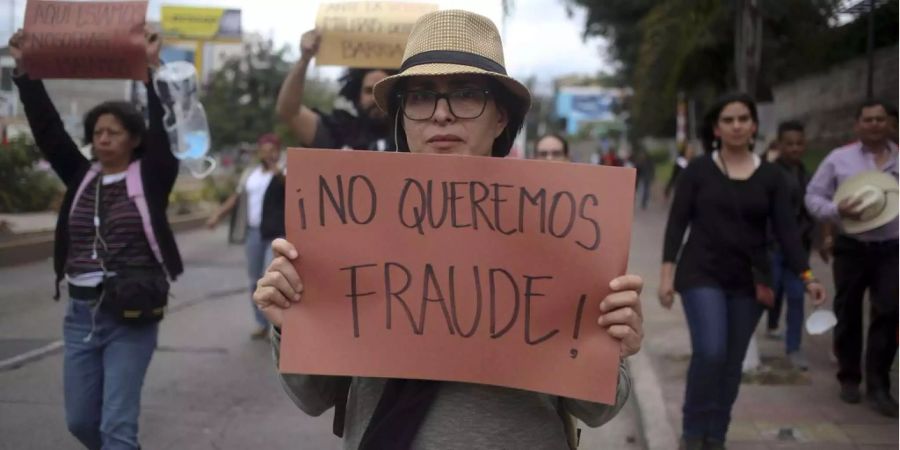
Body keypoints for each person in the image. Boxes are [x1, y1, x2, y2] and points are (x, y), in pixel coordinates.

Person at [253, 10, 644, 449]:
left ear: (500, 117)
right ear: (402, 117)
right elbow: (314, 396)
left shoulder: (561, 227)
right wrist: (292, 324)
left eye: (466, 94)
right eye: (420, 97)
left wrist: (613, 344)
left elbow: (600, 410)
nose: (441, 114)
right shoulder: (351, 225)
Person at [9, 28, 182, 449]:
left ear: (134, 139)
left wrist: (149, 70)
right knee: (82, 423)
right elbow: (49, 132)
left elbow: (165, 130)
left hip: (131, 315)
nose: (104, 138)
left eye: (115, 132)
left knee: (116, 429)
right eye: (98, 131)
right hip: (80, 316)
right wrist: (25, 72)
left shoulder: (153, 175)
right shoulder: (82, 177)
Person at [659, 93, 826, 449]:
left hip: (749, 280)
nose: (736, 125)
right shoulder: (699, 170)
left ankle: (716, 433)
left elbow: (788, 232)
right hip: (700, 273)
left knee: (733, 362)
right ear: (717, 128)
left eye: (743, 119)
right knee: (711, 351)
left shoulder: (771, 177)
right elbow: (676, 225)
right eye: (728, 120)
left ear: (753, 126)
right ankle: (692, 430)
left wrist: (807, 277)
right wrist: (665, 276)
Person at [805, 99, 899, 417]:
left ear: (891, 124)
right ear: (857, 125)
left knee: (889, 311)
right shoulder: (838, 160)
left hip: (891, 247)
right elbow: (812, 197)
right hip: (852, 246)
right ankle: (849, 376)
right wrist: (836, 211)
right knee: (848, 310)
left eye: (880, 119)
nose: (874, 124)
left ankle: (879, 383)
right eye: (868, 120)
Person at [206, 133, 285, 339]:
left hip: (276, 233)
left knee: (271, 278)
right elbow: (236, 197)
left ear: (277, 151)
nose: (267, 154)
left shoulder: (283, 172)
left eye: (272, 150)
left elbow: (291, 188)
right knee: (254, 280)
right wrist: (218, 215)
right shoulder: (251, 173)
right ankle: (260, 322)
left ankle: (274, 325)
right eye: (264, 150)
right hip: (254, 233)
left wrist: (276, 168)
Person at [276, 29, 397, 151]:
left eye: (383, 90)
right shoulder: (339, 131)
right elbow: (289, 112)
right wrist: (304, 59)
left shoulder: (411, 136)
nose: (374, 98)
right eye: (368, 91)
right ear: (357, 94)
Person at [763, 121, 815, 370]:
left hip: (797, 251)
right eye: (789, 143)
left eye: (799, 143)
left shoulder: (806, 174)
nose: (794, 148)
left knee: (796, 297)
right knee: (767, 296)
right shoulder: (768, 173)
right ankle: (744, 345)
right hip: (772, 249)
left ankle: (794, 348)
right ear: (780, 145)